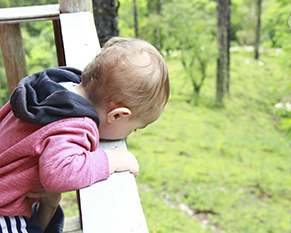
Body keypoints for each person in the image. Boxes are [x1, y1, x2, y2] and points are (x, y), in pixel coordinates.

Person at [0, 37, 170, 233]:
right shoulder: (77, 124)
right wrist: (111, 160)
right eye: (134, 129)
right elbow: (57, 175)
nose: (130, 134)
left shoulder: (56, 85)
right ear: (117, 115)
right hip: (5, 211)